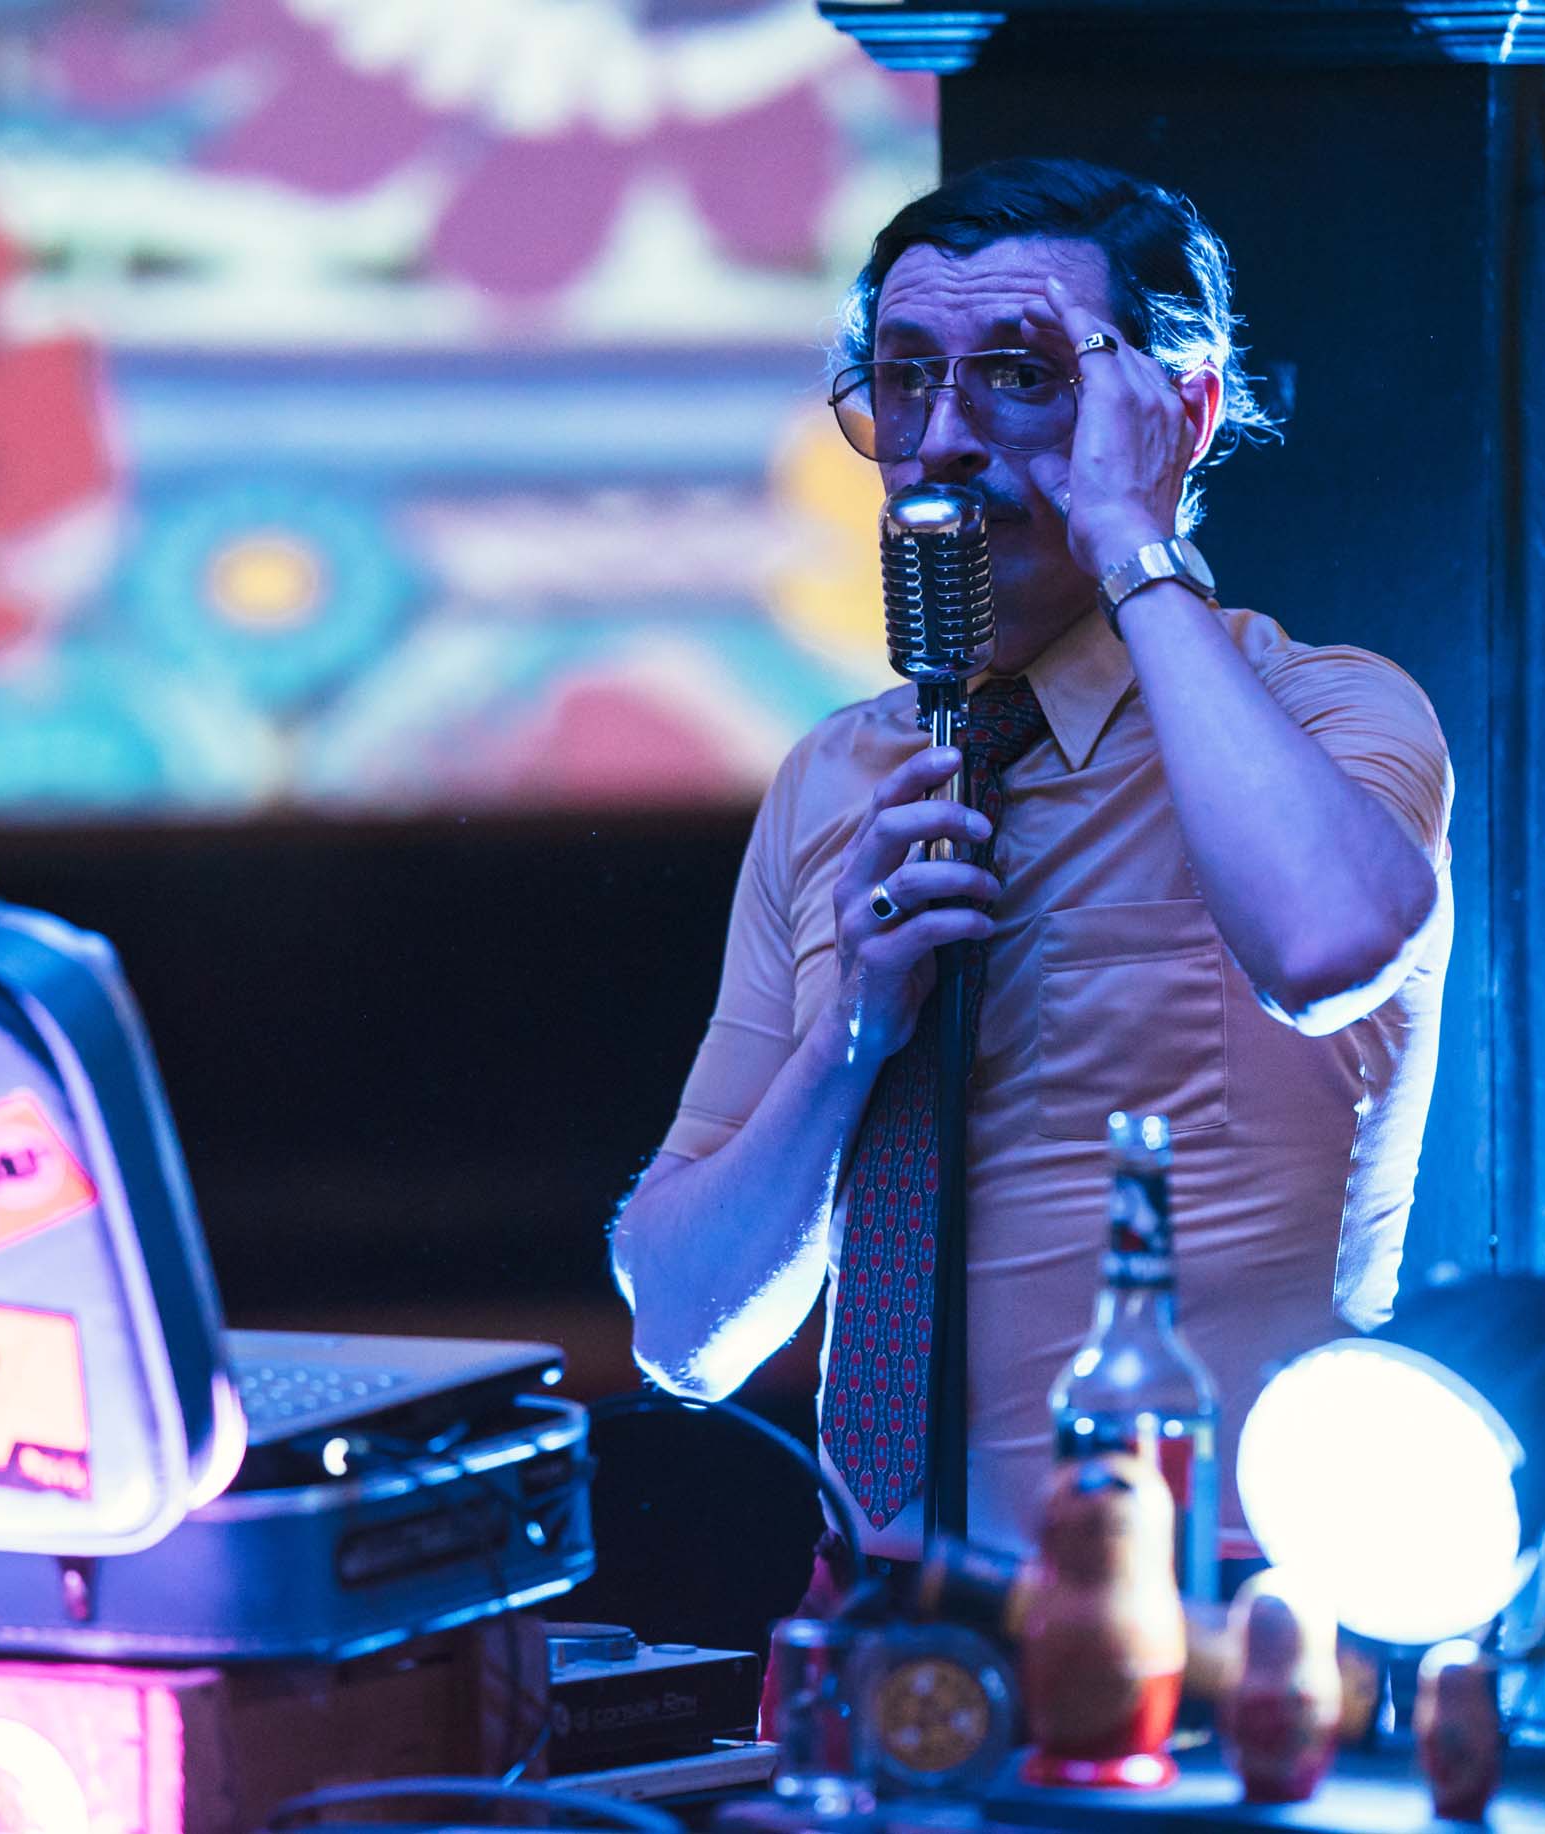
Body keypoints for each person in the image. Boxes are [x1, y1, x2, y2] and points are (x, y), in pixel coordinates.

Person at [607, 157, 1452, 1569]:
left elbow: (1326, 949)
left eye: (1018, 375)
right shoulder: (835, 777)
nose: (943, 439)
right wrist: (850, 1034)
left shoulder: (1324, 710)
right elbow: (684, 1334)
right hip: (879, 1612)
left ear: (1178, 413)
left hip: (1215, 1595)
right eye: (904, 379)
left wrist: (1130, 537)